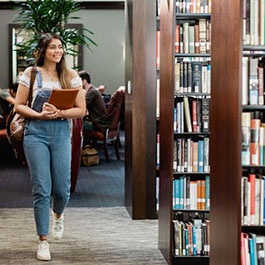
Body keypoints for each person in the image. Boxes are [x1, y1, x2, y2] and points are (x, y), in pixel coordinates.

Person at [15, 33, 86, 261]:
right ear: (43, 50)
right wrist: (39, 114)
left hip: (61, 133)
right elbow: (18, 106)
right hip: (35, 133)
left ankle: (58, 214)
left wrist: (60, 112)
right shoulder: (31, 74)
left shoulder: (71, 76)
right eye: (52, 47)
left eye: (60, 47)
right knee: (41, 188)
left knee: (62, 190)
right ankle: (42, 240)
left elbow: (81, 110)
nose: (57, 51)